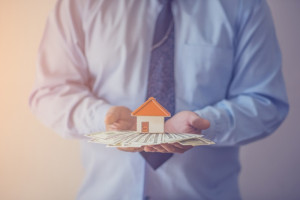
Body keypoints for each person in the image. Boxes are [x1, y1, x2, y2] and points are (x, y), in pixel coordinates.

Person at [29, 0, 289, 199]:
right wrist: (105, 120)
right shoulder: (80, 5)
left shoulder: (244, 6)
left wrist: (204, 126)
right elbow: (50, 92)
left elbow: (265, 101)